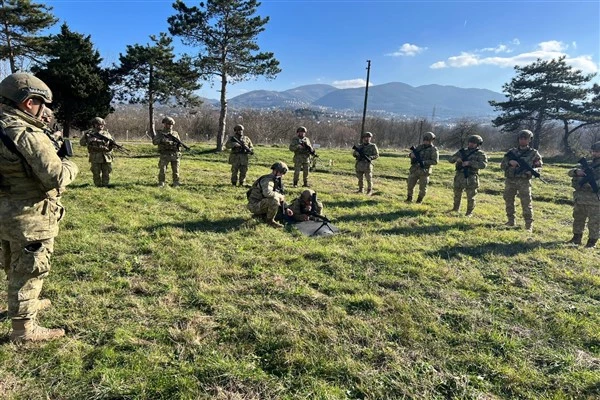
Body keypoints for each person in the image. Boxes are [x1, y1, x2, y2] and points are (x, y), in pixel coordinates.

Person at [0, 72, 78, 343]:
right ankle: (23, 330)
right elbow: (55, 177)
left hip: (5, 210)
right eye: (40, 102)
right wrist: (71, 165)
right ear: (27, 101)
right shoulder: (26, 133)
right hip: (30, 215)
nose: (44, 110)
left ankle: (21, 305)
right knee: (31, 269)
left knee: (14, 264)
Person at [500, 129, 543, 232]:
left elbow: (539, 167)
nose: (523, 140)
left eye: (525, 139)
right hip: (510, 180)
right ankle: (511, 221)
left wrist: (532, 171)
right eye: (521, 138)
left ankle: (528, 225)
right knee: (509, 200)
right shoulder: (511, 152)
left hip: (524, 181)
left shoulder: (533, 153)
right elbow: (502, 165)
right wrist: (510, 163)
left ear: (529, 140)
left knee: (526, 202)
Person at [566, 141, 600, 248]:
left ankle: (592, 242)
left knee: (594, 222)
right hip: (580, 198)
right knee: (578, 218)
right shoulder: (587, 164)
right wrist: (577, 172)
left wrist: (593, 184)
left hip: (595, 200)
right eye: (594, 151)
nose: (595, 153)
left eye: (597, 151)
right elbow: (570, 172)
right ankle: (576, 238)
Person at [448, 135, 488, 216]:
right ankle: (455, 208)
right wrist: (457, 159)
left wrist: (470, 163)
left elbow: (483, 165)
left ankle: (469, 212)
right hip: (459, 176)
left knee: (471, 196)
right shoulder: (462, 151)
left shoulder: (480, 154)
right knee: (457, 193)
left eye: (474, 143)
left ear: (478, 144)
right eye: (470, 142)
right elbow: (450, 159)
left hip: (471, 177)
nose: (471, 144)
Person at [247, 161, 293, 228]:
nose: (282, 175)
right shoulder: (268, 180)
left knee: (278, 208)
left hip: (261, 203)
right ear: (275, 171)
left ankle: (260, 216)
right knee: (274, 200)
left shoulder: (276, 180)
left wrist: (286, 208)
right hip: (254, 205)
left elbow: (280, 194)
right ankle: (270, 221)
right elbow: (267, 193)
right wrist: (279, 196)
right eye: (281, 173)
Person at [79, 117, 114, 187]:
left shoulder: (106, 133)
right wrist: (88, 139)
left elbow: (111, 144)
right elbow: (82, 143)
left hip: (106, 157)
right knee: (96, 172)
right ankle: (97, 186)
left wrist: (110, 148)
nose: (101, 126)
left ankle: (105, 185)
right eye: (99, 124)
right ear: (94, 124)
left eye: (102, 125)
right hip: (95, 157)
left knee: (106, 172)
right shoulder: (89, 133)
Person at [406, 131, 439, 203]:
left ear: (431, 140)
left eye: (427, 140)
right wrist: (411, 155)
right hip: (414, 169)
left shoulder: (433, 150)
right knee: (410, 184)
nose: (426, 141)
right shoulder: (419, 147)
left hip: (424, 171)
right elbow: (411, 154)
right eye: (425, 140)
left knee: (422, 188)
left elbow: (435, 161)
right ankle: (409, 198)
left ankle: (419, 200)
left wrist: (424, 162)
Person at [152, 116, 182, 187]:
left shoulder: (175, 134)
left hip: (174, 154)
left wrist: (177, 146)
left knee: (176, 170)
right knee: (162, 169)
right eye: (168, 124)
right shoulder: (160, 134)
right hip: (164, 154)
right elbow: (154, 142)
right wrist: (162, 140)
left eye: (171, 125)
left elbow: (179, 143)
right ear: (164, 124)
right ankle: (161, 182)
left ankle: (176, 182)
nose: (170, 126)